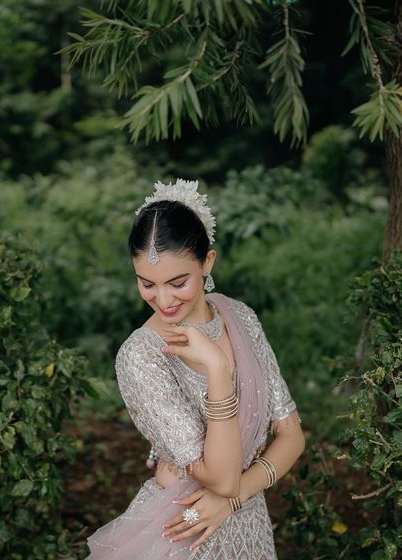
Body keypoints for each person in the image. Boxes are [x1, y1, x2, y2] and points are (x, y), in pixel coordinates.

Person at [86, 179, 305, 559]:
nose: (163, 300)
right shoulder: (142, 355)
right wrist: (218, 369)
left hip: (249, 525)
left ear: (208, 262)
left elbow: (291, 434)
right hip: (181, 530)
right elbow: (219, 476)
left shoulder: (240, 317)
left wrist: (233, 501)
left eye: (177, 282)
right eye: (146, 284)